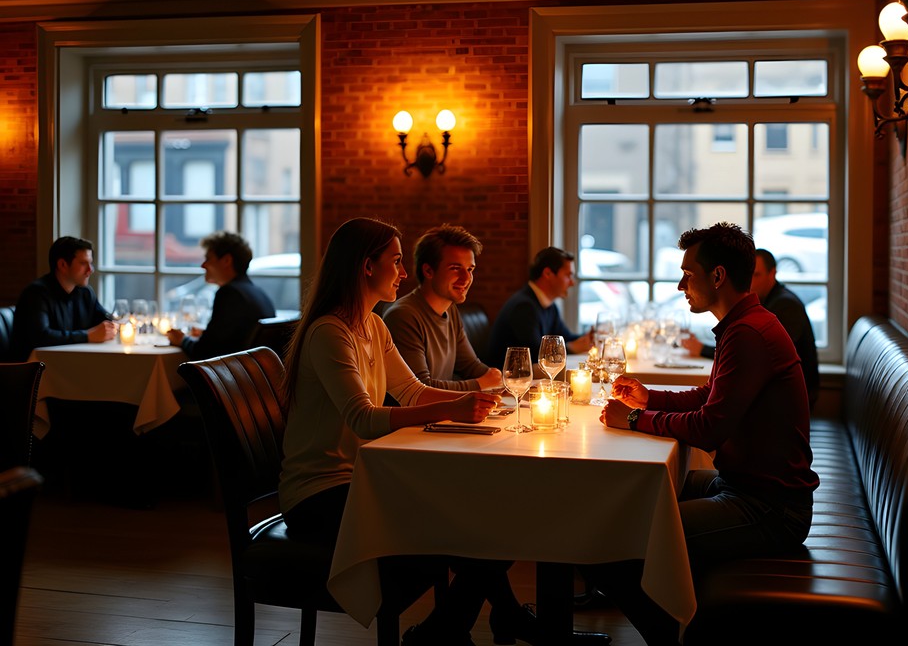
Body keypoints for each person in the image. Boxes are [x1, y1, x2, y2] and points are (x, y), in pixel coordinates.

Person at [278, 218, 607, 646]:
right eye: (395, 262)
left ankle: (447, 631)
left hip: (364, 479)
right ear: (365, 267)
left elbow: (412, 391)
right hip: (319, 493)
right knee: (478, 527)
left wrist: (463, 403)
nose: (402, 272)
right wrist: (455, 405)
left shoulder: (373, 326)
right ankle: (467, 630)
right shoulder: (329, 332)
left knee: (487, 522)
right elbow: (362, 417)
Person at [592, 222, 819, 646]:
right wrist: (649, 397)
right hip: (746, 485)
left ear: (717, 276)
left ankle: (673, 642)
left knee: (617, 535)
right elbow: (712, 395)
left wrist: (636, 421)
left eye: (687, 274)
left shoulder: (749, 333)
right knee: (643, 494)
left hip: (771, 507)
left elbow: (709, 426)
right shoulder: (745, 323)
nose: (681, 285)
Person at [681, 247, 820, 409]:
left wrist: (702, 349)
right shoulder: (762, 304)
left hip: (793, 403)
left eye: (756, 275)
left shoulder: (785, 304)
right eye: (749, 274)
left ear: (773, 273)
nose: (750, 281)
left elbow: (754, 356)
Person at [383, 224, 503, 392]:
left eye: (470, 269)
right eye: (455, 268)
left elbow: (470, 366)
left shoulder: (450, 310)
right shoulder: (403, 316)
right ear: (428, 270)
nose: (466, 278)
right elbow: (421, 389)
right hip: (417, 418)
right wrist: (481, 384)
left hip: (443, 415)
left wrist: (502, 380)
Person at [167, 231, 276, 360]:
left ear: (226, 260)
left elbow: (205, 352)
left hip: (234, 377)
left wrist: (182, 340)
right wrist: (206, 334)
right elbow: (232, 341)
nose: (203, 265)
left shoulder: (230, 293)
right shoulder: (258, 293)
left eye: (208, 258)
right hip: (255, 375)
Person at [12, 236, 117, 360]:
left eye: (91, 263)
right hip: (32, 372)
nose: (90, 270)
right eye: (83, 263)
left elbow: (105, 320)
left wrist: (119, 324)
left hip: (70, 363)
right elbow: (41, 337)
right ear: (62, 265)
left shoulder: (85, 292)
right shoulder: (36, 294)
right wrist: (87, 336)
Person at [487, 246, 594, 368]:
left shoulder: (549, 305)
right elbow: (536, 355)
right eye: (568, 275)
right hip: (509, 380)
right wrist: (571, 348)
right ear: (548, 273)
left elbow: (565, 337)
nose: (572, 282)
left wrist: (588, 338)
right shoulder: (524, 307)